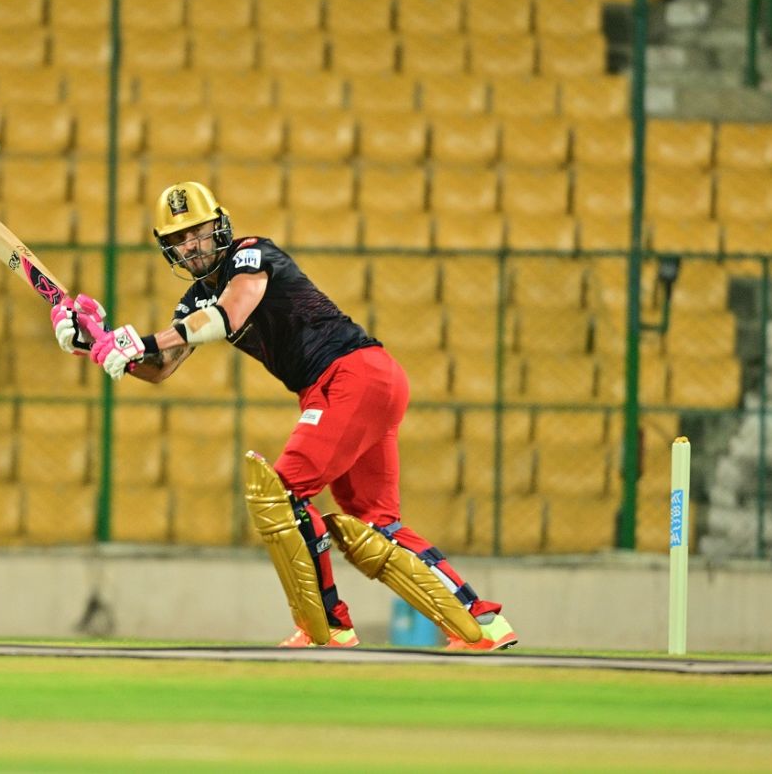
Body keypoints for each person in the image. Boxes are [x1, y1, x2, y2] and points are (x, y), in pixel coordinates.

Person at [50, 181, 516, 651]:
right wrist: (97, 343)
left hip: (351, 374)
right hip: (355, 383)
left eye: (199, 232)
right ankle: (481, 623)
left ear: (220, 226)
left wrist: (143, 340)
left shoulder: (252, 255)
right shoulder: (193, 300)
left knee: (282, 494)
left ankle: (328, 628)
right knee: (374, 523)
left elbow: (230, 315)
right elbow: (160, 370)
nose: (191, 246)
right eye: (178, 239)